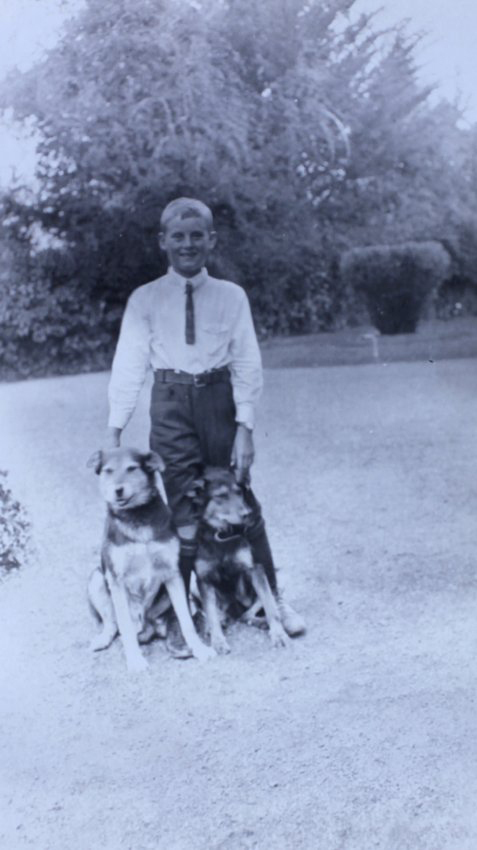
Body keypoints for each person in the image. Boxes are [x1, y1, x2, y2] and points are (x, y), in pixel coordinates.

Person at [104, 197, 305, 657]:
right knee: (181, 509)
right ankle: (186, 614)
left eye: (198, 235)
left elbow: (247, 361)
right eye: (178, 236)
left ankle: (272, 598)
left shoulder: (231, 296)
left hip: (218, 401)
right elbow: (129, 366)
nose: (188, 244)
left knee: (239, 499)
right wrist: (114, 430)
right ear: (163, 242)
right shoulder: (146, 299)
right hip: (170, 402)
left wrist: (245, 425)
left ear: (211, 240)